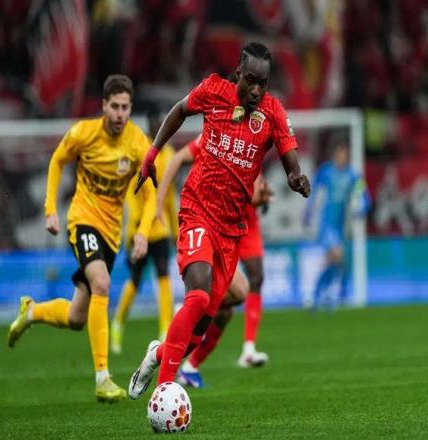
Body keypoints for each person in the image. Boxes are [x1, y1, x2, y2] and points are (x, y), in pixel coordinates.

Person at [128, 42, 310, 400]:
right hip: (197, 210)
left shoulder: (273, 113)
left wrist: (297, 178)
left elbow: (291, 162)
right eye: (251, 80)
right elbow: (180, 110)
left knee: (198, 330)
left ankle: (157, 355)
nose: (256, 90)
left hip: (231, 230)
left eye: (263, 83)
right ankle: (164, 391)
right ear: (239, 73)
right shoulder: (213, 91)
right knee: (196, 295)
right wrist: (152, 152)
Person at [7, 74, 156, 403]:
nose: (119, 114)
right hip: (83, 221)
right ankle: (103, 378)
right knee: (102, 283)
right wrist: (50, 209)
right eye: (114, 106)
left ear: (131, 108)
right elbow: (57, 160)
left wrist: (143, 231)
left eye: (125, 107)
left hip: (112, 235)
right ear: (103, 105)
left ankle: (31, 312)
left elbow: (150, 194)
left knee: (77, 317)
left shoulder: (138, 143)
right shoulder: (83, 133)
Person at [152, 134, 272, 388]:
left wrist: (261, 193)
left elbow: (248, 184)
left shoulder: (257, 131)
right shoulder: (217, 134)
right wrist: (159, 201)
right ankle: (188, 317)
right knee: (234, 291)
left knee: (228, 307)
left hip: (240, 223)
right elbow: (180, 159)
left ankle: (189, 364)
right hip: (211, 223)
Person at [110, 112, 178, 354]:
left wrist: (176, 230)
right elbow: (133, 191)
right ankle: (118, 323)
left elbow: (169, 198)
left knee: (163, 276)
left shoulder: (170, 155)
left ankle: (165, 328)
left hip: (160, 230)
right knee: (135, 281)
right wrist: (135, 225)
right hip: (140, 230)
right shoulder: (141, 154)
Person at [304, 143, 370, 309]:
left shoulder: (352, 175)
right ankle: (330, 294)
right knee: (337, 256)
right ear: (335, 156)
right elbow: (314, 190)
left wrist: (361, 208)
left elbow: (364, 196)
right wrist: (309, 211)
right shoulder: (327, 171)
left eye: (345, 156)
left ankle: (319, 294)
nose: (342, 158)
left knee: (336, 263)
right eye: (339, 155)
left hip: (341, 226)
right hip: (327, 225)